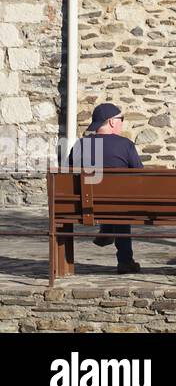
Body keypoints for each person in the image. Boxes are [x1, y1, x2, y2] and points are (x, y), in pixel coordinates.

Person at [68, 104, 143, 275]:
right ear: (111, 122)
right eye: (121, 119)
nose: (122, 123)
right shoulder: (126, 145)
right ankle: (125, 260)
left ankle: (107, 229)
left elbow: (69, 175)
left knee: (109, 201)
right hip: (119, 206)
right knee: (120, 204)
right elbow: (140, 175)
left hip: (86, 206)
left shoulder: (80, 145)